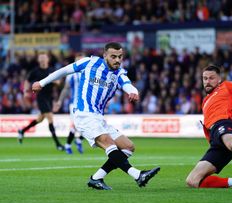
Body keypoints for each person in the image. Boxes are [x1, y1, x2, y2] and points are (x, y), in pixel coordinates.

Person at [32, 42, 160, 190]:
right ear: (105, 55)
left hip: (98, 117)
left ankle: (96, 178)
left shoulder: (119, 73)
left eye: (120, 57)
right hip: (84, 114)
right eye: (113, 56)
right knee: (108, 143)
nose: (117, 60)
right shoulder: (89, 62)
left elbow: (127, 85)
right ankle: (138, 175)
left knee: (128, 147)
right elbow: (64, 70)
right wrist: (42, 82)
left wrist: (134, 92)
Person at [18, 52, 64, 151]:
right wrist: (25, 91)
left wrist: (56, 81)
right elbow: (27, 80)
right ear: (39, 60)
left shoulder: (52, 70)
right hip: (41, 97)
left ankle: (22, 131)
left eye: (44, 58)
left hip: (49, 97)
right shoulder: (35, 71)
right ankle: (58, 144)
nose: (42, 59)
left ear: (48, 59)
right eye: (41, 58)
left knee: (40, 119)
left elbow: (59, 82)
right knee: (50, 118)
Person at [53, 54, 85, 154]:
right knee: (75, 124)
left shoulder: (89, 73)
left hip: (87, 104)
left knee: (89, 124)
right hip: (74, 104)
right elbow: (66, 89)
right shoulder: (72, 74)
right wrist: (59, 101)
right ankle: (68, 145)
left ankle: (79, 139)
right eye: (77, 60)